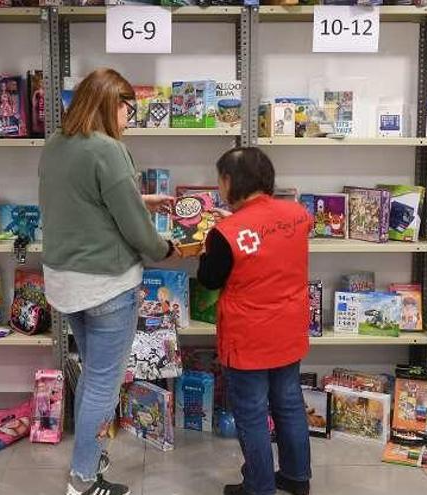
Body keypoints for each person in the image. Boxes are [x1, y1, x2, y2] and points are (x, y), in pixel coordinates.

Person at [38, 68, 177, 495]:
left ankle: (91, 468)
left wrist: (138, 199)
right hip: (106, 284)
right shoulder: (109, 150)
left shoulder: (56, 145)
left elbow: (82, 203)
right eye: (127, 108)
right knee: (103, 383)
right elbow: (138, 231)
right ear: (109, 104)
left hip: (65, 283)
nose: (130, 118)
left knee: (91, 378)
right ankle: (81, 483)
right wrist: (166, 249)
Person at [197, 147, 312, 495]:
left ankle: (258, 487)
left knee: (251, 412)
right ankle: (296, 477)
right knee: (289, 402)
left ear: (230, 181)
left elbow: (209, 280)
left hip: (247, 338)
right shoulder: (298, 214)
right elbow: (267, 241)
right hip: (289, 330)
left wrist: (208, 245)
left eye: (220, 180)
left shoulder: (225, 234)